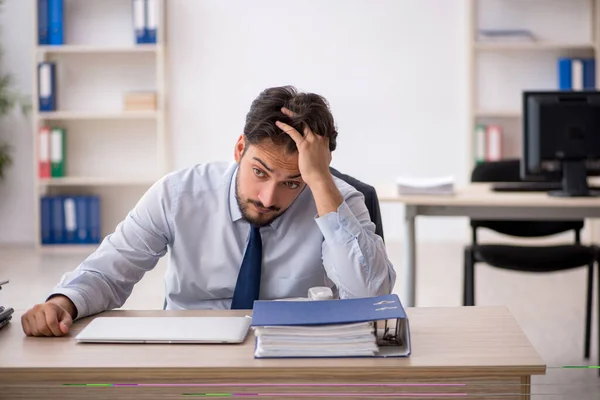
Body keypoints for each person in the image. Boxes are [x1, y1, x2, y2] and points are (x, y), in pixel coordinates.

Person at [21, 85, 397, 337]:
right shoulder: (178, 193)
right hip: (189, 351)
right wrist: (63, 301)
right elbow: (110, 271)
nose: (268, 197)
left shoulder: (338, 198)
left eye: (292, 182)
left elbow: (370, 296)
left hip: (292, 354)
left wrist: (320, 183)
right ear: (238, 149)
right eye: (259, 172)